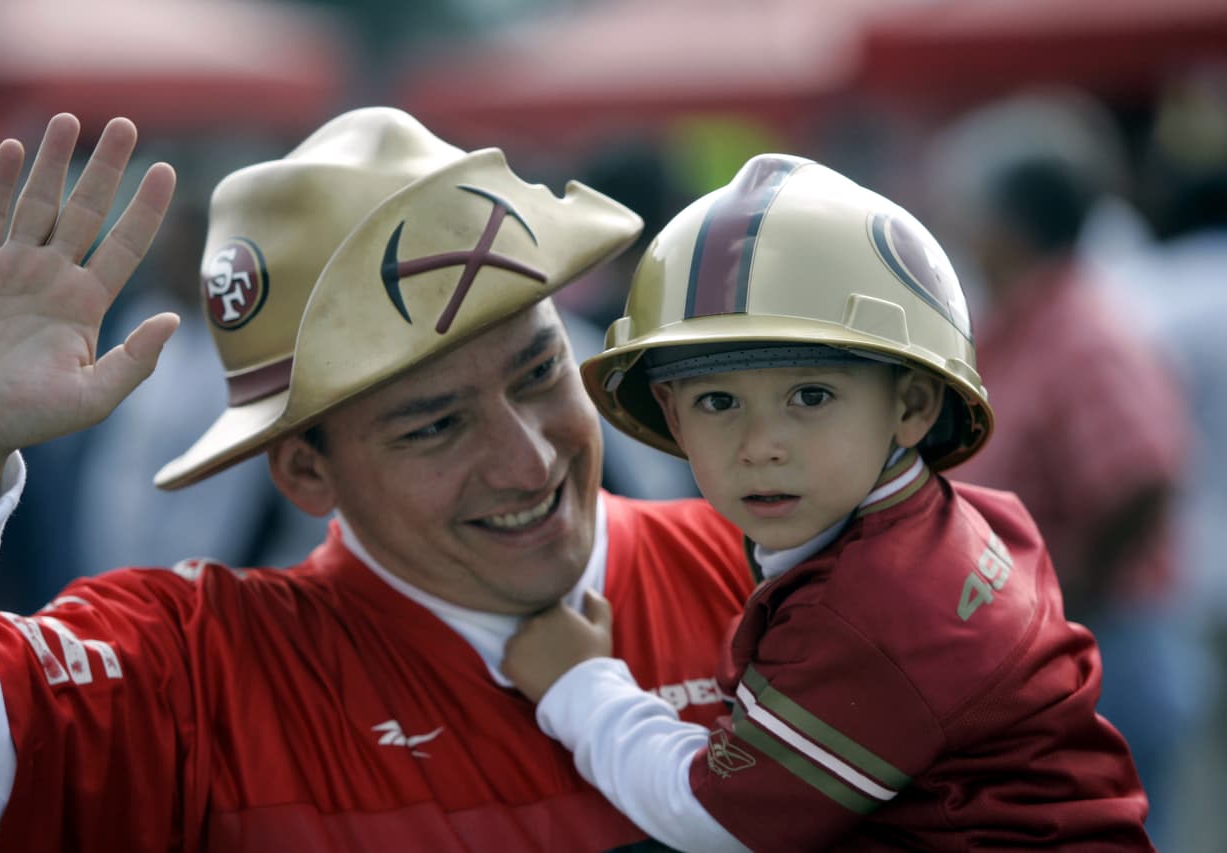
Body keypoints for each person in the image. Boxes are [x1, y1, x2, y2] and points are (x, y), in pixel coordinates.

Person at [0, 108, 756, 852]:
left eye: (541, 371)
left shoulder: (773, 575)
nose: (531, 461)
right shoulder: (205, 677)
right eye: (437, 424)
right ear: (305, 468)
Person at [500, 154, 1153, 851]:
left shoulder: (871, 609)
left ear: (913, 404)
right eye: (717, 401)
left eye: (811, 396)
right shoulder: (958, 521)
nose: (761, 445)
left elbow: (714, 819)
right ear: (672, 412)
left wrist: (580, 684)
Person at [922, 91, 1199, 852]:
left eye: (965, 209)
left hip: (1108, 643)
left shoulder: (1081, 332)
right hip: (1071, 647)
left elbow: (1143, 471)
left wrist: (1072, 588)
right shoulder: (1030, 320)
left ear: (1007, 224)